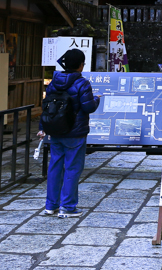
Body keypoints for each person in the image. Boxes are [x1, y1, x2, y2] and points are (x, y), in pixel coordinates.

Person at [38, 49, 100, 218]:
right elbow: (88, 107)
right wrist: (97, 100)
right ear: (80, 66)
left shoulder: (53, 82)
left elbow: (46, 106)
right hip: (75, 133)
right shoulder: (82, 84)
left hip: (56, 131)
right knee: (72, 168)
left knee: (55, 166)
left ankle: (51, 206)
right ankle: (68, 207)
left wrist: (42, 126)